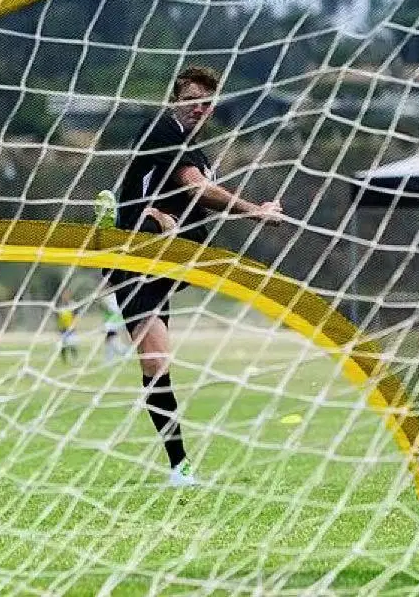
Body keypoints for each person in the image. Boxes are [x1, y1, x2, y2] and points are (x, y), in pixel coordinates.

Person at [99, 65, 283, 488]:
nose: (198, 106)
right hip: (135, 257)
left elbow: (199, 195)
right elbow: (198, 188)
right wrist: (255, 210)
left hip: (165, 262)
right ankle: (179, 468)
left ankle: (178, 468)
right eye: (191, 99)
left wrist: (178, 224)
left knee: (157, 361)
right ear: (174, 101)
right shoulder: (162, 128)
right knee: (156, 361)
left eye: (205, 100)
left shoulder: (197, 150)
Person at [101, 292, 126, 363]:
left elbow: (112, 309)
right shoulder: (110, 296)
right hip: (110, 322)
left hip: (113, 323)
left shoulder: (113, 297)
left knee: (111, 339)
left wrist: (105, 304)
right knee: (108, 341)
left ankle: (124, 351)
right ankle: (109, 359)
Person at [57, 291, 78, 364]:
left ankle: (74, 360)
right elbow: (58, 316)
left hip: (71, 328)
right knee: (63, 345)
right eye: (63, 295)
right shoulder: (60, 305)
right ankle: (64, 361)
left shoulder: (72, 305)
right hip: (62, 328)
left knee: (72, 344)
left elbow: (76, 316)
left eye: (66, 295)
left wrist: (74, 325)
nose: (65, 297)